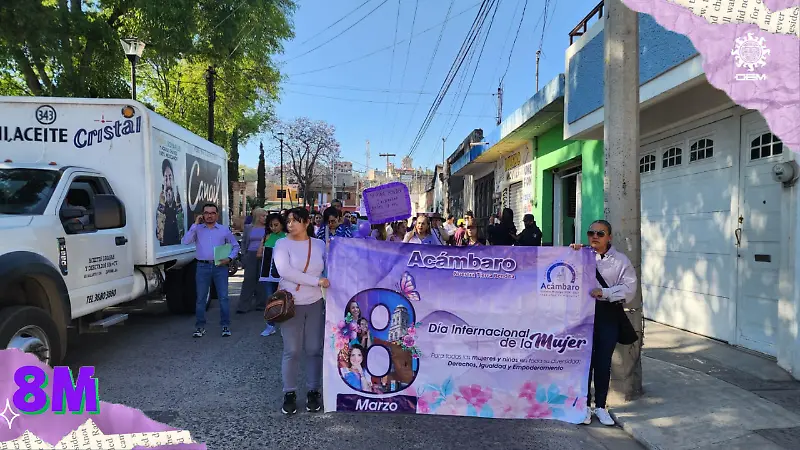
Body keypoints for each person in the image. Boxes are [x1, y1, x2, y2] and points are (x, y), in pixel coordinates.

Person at [569, 220, 637, 426]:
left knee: (602, 362)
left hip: (607, 314)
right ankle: (584, 406)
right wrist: (572, 254)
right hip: (582, 315)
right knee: (584, 363)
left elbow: (630, 289)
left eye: (600, 233)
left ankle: (600, 406)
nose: (595, 237)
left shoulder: (620, 261)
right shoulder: (580, 255)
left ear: (609, 237)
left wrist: (605, 292)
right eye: (591, 233)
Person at [273, 207, 329, 415]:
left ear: (307, 223)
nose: (290, 224)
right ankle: (289, 392)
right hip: (290, 304)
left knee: (314, 349)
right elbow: (285, 271)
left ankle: (314, 391)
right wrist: (317, 281)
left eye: (296, 220)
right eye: (288, 221)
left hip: (315, 302)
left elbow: (332, 266)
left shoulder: (320, 244)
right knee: (292, 350)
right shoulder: (281, 244)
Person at [182, 203, 240, 338]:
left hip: (220, 267)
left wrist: (229, 258)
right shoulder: (198, 229)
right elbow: (186, 241)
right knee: (201, 298)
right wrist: (195, 225)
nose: (209, 215)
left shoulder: (224, 230)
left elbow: (235, 246)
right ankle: (200, 327)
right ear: (202, 215)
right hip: (202, 266)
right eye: (206, 213)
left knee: (223, 297)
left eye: (212, 213)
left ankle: (225, 326)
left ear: (217, 215)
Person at [257, 213, 287, 336]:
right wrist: (264, 248)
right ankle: (270, 326)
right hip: (268, 274)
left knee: (284, 301)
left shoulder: (286, 237)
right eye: (271, 225)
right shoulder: (267, 237)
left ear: (281, 224)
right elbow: (258, 255)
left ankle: (285, 326)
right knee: (270, 300)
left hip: (283, 275)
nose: (274, 227)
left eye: (276, 225)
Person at [237, 208, 268, 314]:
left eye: (266, 216)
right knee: (248, 279)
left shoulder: (268, 228)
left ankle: (261, 304)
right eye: (263, 216)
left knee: (262, 280)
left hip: (264, 255)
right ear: (257, 216)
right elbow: (244, 242)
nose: (265, 218)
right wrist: (243, 256)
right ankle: (244, 305)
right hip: (250, 254)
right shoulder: (248, 228)